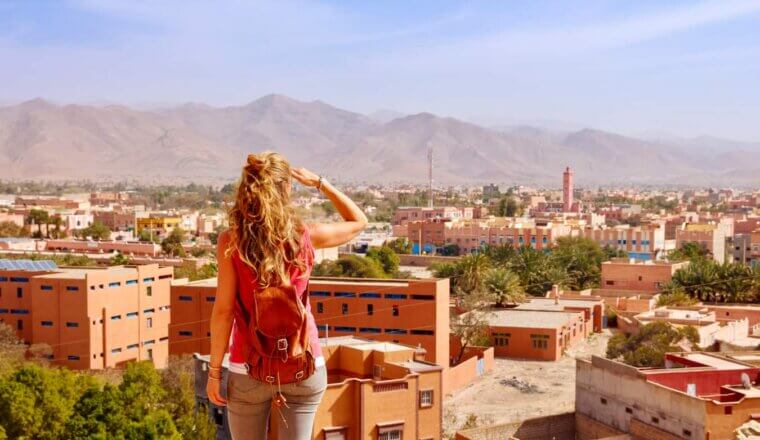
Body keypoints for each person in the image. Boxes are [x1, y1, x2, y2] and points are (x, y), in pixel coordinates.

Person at [206, 151, 367, 440]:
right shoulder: (306, 235)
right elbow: (358, 221)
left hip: (248, 367)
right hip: (303, 362)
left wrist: (215, 372)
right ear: (286, 189)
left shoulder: (231, 242)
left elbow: (223, 312)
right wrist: (320, 183)